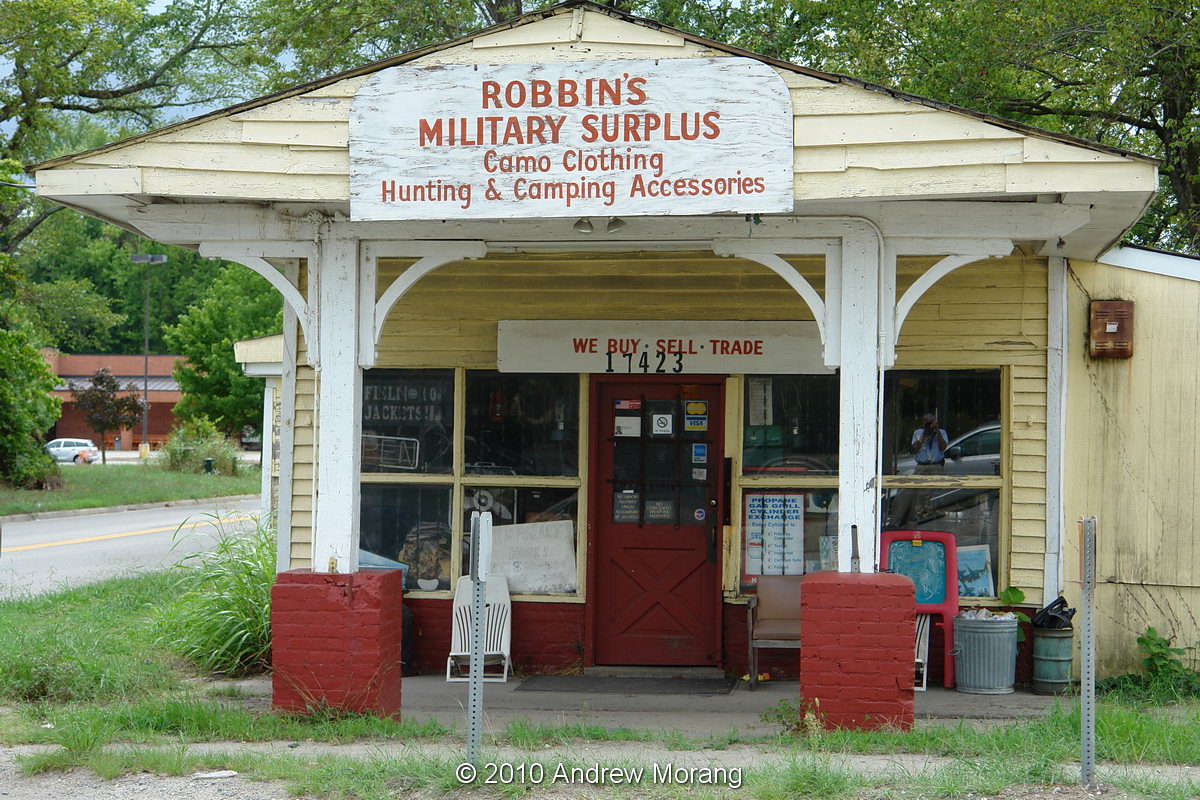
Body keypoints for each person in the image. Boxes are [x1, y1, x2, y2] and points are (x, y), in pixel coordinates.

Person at [889, 413, 950, 527]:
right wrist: (923, 436)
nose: (929, 424)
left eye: (931, 422)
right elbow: (915, 448)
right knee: (906, 492)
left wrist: (937, 432)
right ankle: (896, 523)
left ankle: (912, 523)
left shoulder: (942, 433)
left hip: (935, 466)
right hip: (921, 466)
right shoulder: (918, 433)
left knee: (921, 497)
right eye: (927, 422)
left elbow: (943, 447)